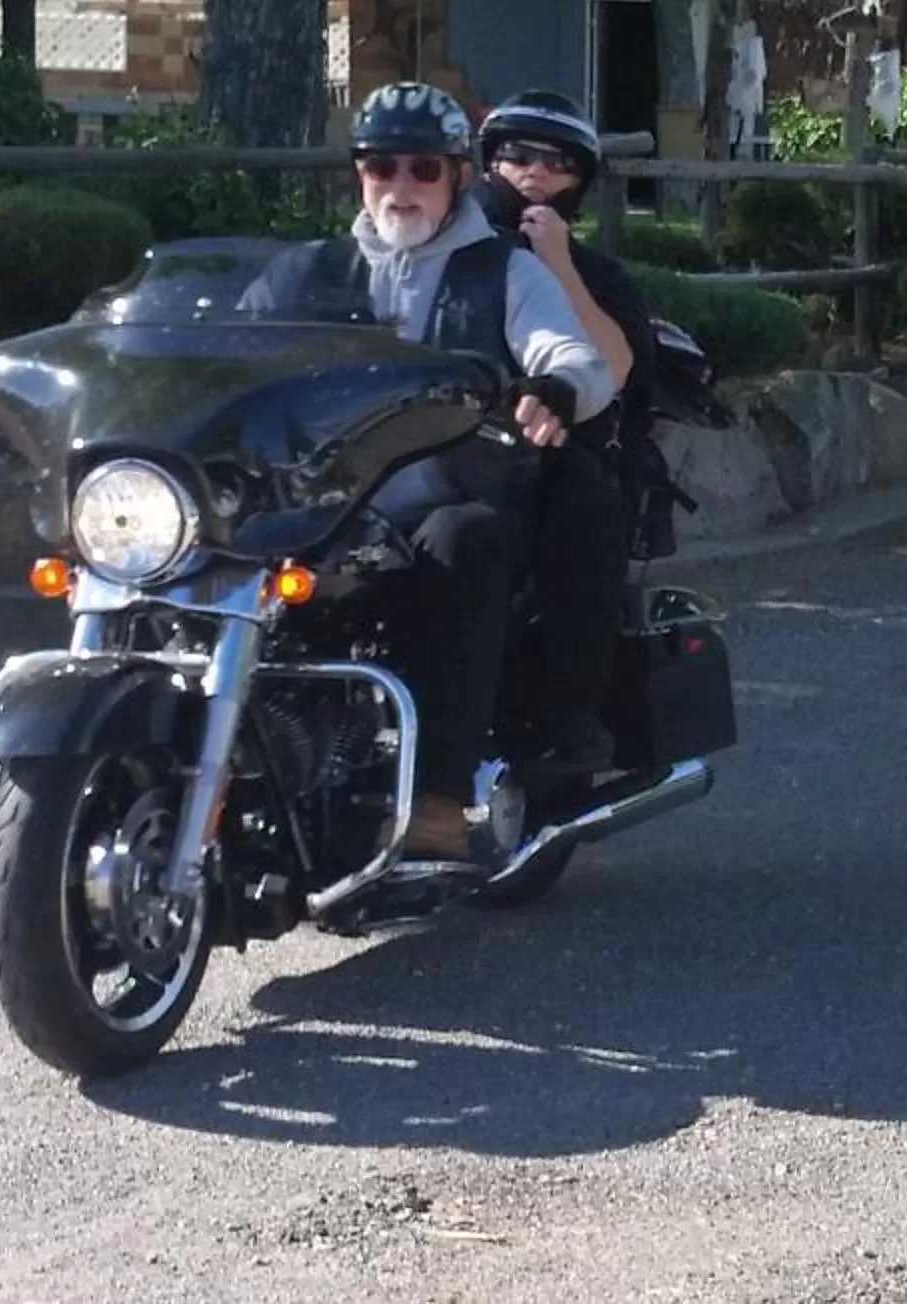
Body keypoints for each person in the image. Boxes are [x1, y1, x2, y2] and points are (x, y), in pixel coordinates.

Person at [249, 82, 614, 861]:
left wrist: (555, 385)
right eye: (383, 166)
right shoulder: (306, 272)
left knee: (465, 542)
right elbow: (222, 358)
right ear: (360, 174)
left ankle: (440, 799)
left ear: (454, 176)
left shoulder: (505, 273)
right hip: (322, 498)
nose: (401, 186)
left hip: (449, 488)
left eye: (423, 168)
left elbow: (573, 352)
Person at [476, 91, 654, 776]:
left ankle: (569, 712)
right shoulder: (456, 255)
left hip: (556, 449)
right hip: (443, 441)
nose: (534, 174)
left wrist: (559, 266)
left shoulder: (600, 276)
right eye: (517, 156)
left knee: (582, 502)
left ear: (580, 180)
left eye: (556, 164)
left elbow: (614, 366)